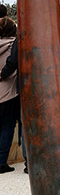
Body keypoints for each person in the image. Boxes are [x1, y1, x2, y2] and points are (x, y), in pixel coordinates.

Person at [0, 17, 18, 173]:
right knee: (7, 126)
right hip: (9, 91)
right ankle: (1, 162)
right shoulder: (14, 44)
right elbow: (13, 63)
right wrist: (3, 74)